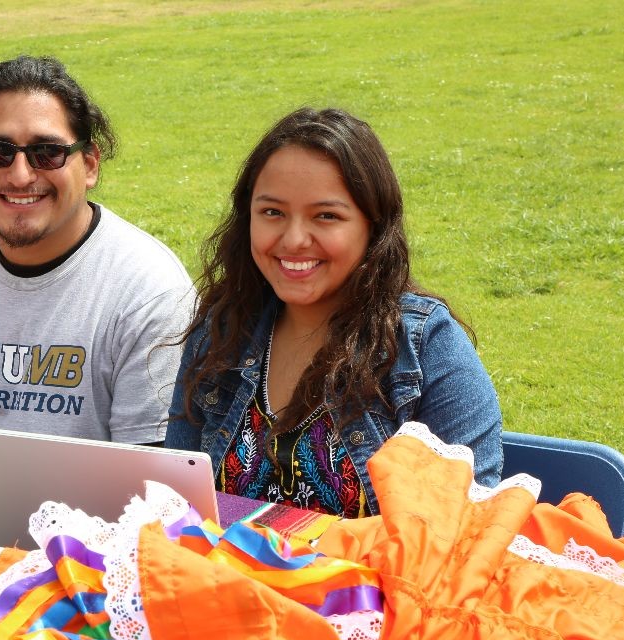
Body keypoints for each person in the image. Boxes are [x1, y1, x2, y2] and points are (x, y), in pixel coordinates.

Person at [164, 107, 502, 515]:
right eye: (272, 212)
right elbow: (176, 506)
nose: (293, 239)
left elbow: (458, 532)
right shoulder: (221, 332)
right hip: (223, 577)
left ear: (372, 226)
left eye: (326, 216)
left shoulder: (425, 347)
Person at [0, 55, 193, 444]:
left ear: (90, 164)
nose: (21, 175)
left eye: (47, 152)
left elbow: (154, 479)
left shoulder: (150, 290)